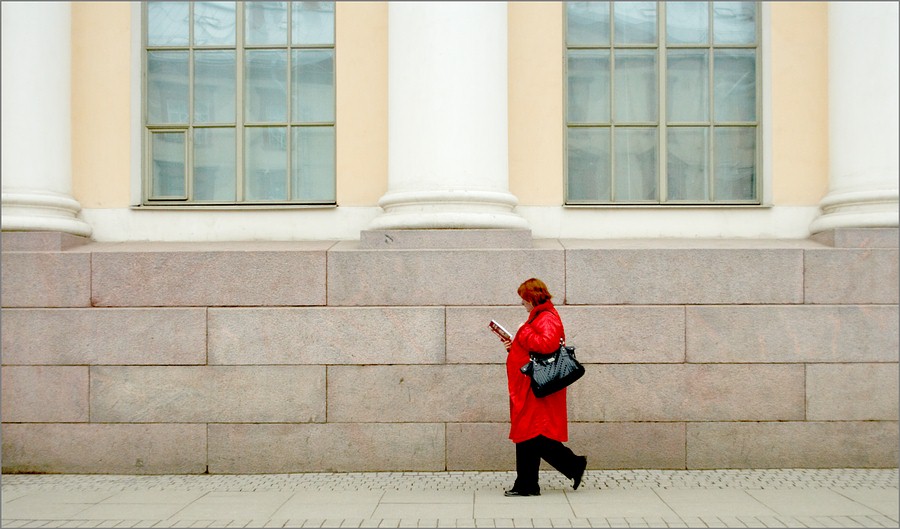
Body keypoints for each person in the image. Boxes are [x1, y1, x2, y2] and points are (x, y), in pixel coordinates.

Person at [498, 278, 587, 497]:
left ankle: (572, 465)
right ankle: (528, 484)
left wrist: (523, 331)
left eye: (523, 299)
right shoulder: (540, 316)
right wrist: (514, 345)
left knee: (532, 434)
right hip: (529, 385)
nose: (522, 303)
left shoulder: (546, 317)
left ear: (532, 298)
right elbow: (533, 350)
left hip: (535, 386)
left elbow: (546, 345)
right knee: (527, 433)